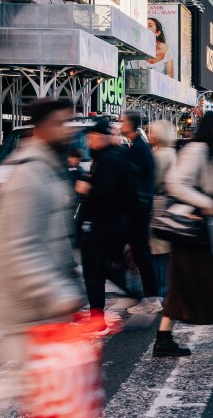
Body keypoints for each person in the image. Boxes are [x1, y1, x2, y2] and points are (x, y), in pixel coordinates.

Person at [0, 99, 87, 418]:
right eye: (60, 124)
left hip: (33, 301)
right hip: (26, 302)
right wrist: (57, 294)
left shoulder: (47, 167)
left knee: (23, 383)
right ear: (41, 129)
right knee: (13, 383)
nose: (67, 131)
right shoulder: (30, 173)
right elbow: (21, 246)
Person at [155, 111, 213, 356]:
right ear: (211, 128)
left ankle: (163, 340)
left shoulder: (207, 151)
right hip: (189, 230)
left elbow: (205, 189)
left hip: (193, 231)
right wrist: (205, 202)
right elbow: (175, 183)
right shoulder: (196, 150)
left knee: (180, 286)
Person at [76, 117, 135, 335]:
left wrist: (87, 188)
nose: (89, 141)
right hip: (108, 225)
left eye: (91, 137)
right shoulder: (108, 157)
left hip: (102, 226)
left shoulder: (108, 159)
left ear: (100, 137)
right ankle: (127, 292)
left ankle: (97, 320)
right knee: (100, 270)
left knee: (94, 273)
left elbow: (109, 194)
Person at [119, 110, 163, 314]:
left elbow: (135, 181)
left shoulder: (138, 149)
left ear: (130, 124)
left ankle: (151, 299)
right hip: (140, 209)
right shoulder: (139, 147)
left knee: (142, 255)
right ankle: (148, 297)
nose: (120, 124)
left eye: (123, 122)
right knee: (140, 254)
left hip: (138, 210)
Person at [149, 120, 179, 298]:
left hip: (158, 207)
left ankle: (161, 295)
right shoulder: (171, 152)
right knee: (165, 254)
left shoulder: (159, 156)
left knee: (159, 253)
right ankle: (166, 293)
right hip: (169, 207)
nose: (150, 135)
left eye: (153, 132)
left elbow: (152, 184)